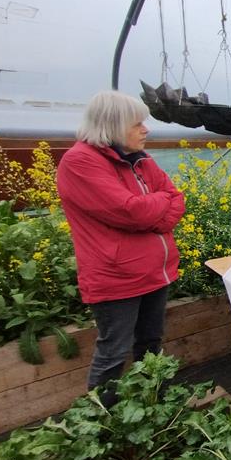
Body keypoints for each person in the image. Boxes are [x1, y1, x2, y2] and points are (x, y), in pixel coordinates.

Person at [57, 90, 185, 401]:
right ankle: (102, 423)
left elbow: (176, 198)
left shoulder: (139, 159)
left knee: (151, 344)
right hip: (117, 277)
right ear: (112, 125)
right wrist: (154, 206)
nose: (146, 129)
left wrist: (151, 209)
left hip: (155, 272)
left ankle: (151, 405)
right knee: (113, 353)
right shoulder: (80, 162)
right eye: (137, 123)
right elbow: (128, 210)